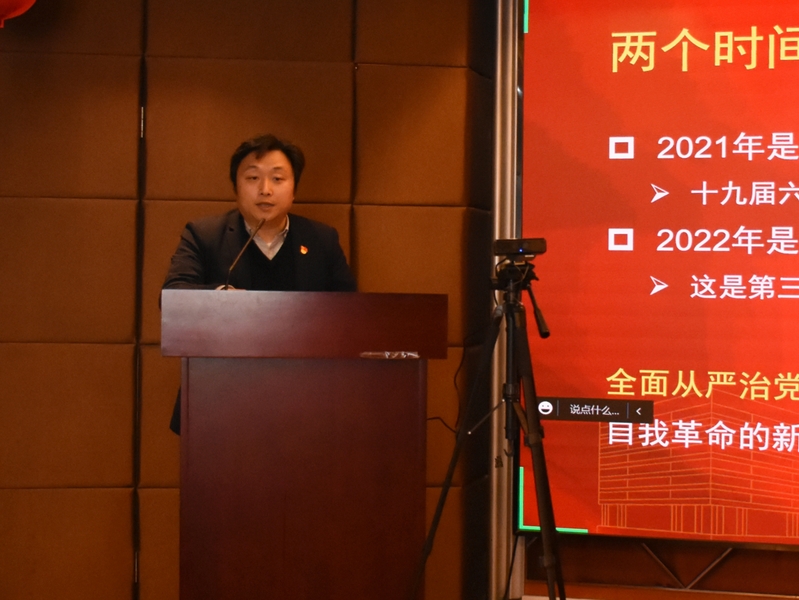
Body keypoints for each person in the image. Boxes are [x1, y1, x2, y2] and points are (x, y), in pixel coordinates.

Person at [164, 134, 357, 433]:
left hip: (308, 401)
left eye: (277, 179)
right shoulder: (204, 235)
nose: (265, 189)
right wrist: (221, 297)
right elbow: (173, 296)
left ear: (294, 189)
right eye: (253, 178)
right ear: (236, 186)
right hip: (218, 399)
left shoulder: (321, 240)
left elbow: (351, 313)